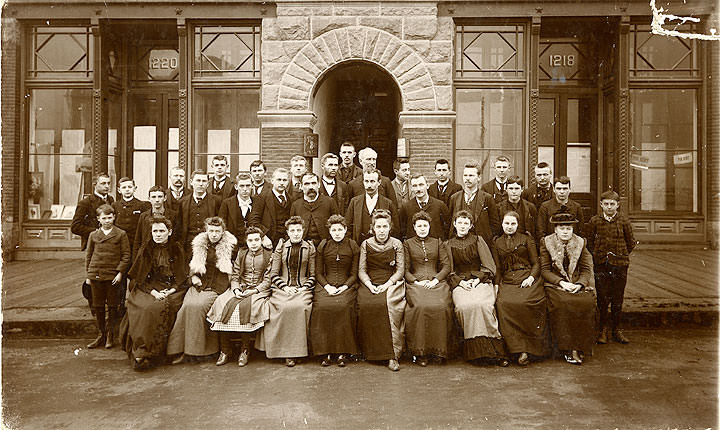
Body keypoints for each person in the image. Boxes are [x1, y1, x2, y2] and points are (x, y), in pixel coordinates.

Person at [120, 216, 188, 371]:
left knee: (166, 306)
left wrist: (170, 290)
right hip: (148, 287)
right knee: (145, 308)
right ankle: (141, 351)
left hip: (173, 288)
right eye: (155, 231)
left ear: (169, 232)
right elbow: (139, 278)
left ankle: (160, 353)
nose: (158, 234)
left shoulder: (176, 248)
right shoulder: (146, 249)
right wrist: (154, 292)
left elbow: (181, 277)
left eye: (162, 231)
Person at [167, 217, 237, 363]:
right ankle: (179, 349)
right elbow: (191, 266)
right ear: (206, 231)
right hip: (199, 283)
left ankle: (199, 351)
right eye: (211, 231)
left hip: (218, 285)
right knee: (186, 306)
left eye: (217, 231)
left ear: (223, 232)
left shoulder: (230, 246)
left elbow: (234, 270)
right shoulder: (199, 244)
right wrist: (193, 277)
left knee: (198, 306)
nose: (214, 234)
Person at [446, 210, 508, 366]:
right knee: (464, 306)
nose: (462, 226)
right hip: (460, 283)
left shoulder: (478, 240)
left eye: (466, 223)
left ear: (471, 225)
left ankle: (494, 352)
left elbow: (489, 265)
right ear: (454, 224)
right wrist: (460, 282)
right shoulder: (448, 244)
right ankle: (476, 353)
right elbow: (448, 269)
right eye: (459, 222)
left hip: (480, 280)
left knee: (485, 305)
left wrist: (477, 279)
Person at [206, 227, 272, 367]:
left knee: (246, 307)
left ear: (261, 240)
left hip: (259, 290)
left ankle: (245, 349)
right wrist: (235, 289)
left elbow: (268, 280)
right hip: (241, 287)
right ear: (246, 242)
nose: (253, 243)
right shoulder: (242, 254)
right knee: (222, 303)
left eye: (256, 240)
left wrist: (254, 290)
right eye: (250, 240)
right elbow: (235, 275)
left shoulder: (268, 255)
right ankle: (225, 350)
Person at [255, 216, 315, 367]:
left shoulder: (310, 247)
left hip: (303, 288)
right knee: (281, 307)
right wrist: (285, 287)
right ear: (287, 232)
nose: (296, 233)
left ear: (303, 231)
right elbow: (274, 274)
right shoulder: (281, 247)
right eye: (292, 230)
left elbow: (313, 274)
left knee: (300, 307)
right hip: (282, 288)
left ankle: (297, 352)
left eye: (299, 230)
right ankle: (281, 351)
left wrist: (303, 287)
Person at [539, 212, 597, 365]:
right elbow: (544, 270)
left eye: (569, 228)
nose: (566, 231)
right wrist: (562, 283)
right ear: (555, 229)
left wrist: (579, 284)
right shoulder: (547, 243)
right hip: (555, 284)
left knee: (586, 303)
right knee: (562, 303)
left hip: (576, 283)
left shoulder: (580, 243)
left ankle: (580, 347)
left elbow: (586, 269)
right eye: (562, 228)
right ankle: (566, 348)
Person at [494, 211, 548, 366]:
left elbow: (536, 263)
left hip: (527, 277)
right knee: (504, 304)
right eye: (506, 223)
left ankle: (528, 349)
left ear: (517, 225)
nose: (509, 227)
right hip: (508, 279)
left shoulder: (526, 239)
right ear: (502, 224)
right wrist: (496, 285)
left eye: (513, 224)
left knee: (527, 303)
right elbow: (497, 267)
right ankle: (513, 349)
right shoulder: (497, 242)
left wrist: (531, 277)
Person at [357, 210, 405, 371]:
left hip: (391, 282)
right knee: (366, 304)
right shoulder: (366, 244)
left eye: (385, 226)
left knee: (388, 305)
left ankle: (392, 355)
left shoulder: (397, 244)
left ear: (390, 228)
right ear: (373, 228)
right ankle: (371, 352)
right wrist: (369, 285)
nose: (382, 230)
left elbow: (400, 270)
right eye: (378, 226)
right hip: (370, 282)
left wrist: (388, 284)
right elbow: (362, 270)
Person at [586, 190, 636, 345]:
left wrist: (619, 255)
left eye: (612, 204)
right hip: (601, 264)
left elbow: (631, 242)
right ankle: (602, 330)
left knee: (617, 297)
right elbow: (589, 242)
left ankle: (616, 329)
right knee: (602, 297)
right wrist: (597, 255)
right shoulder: (595, 221)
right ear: (601, 205)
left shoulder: (624, 221)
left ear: (617, 205)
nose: (609, 207)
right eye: (606, 204)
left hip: (620, 265)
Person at [403, 211, 452, 366]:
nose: (422, 229)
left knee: (441, 306)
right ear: (414, 227)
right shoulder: (408, 244)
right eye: (419, 226)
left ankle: (438, 351)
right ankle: (420, 352)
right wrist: (415, 281)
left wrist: (436, 279)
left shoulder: (438, 242)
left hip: (436, 283)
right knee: (420, 307)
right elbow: (404, 269)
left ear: (429, 226)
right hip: (416, 283)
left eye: (425, 225)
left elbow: (446, 266)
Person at [310, 215, 360, 367]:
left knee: (344, 307)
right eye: (334, 230)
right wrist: (327, 287)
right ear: (329, 231)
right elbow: (318, 272)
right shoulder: (323, 245)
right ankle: (325, 352)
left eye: (340, 229)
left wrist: (344, 287)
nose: (337, 233)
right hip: (326, 285)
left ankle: (342, 352)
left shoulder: (352, 245)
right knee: (321, 307)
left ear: (345, 230)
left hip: (347, 285)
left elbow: (354, 273)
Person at [84, 204, 131, 349]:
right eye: (104, 218)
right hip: (97, 274)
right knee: (98, 306)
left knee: (112, 306)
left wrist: (120, 273)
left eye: (110, 218)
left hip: (113, 276)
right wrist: (89, 275)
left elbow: (126, 255)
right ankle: (101, 334)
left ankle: (111, 335)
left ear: (114, 217)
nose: (107, 221)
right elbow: (89, 255)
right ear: (98, 219)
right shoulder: (93, 235)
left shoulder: (121, 234)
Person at [448, 161, 501, 246]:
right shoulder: (454, 198)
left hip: (480, 245)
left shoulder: (487, 198)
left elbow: (495, 225)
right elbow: (450, 223)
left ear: (479, 177)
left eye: (471, 175)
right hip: (458, 246)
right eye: (465, 175)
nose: (467, 178)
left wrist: (487, 240)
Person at [345, 168, 399, 244]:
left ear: (379, 182)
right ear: (363, 182)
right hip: (359, 245)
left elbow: (395, 229)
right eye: (366, 181)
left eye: (372, 181)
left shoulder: (388, 203)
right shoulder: (354, 202)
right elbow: (348, 227)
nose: (369, 185)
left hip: (381, 247)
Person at [178, 170, 222, 257]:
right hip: (188, 246)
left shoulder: (216, 201)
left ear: (208, 184)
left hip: (209, 245)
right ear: (191, 182)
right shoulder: (183, 202)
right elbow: (179, 225)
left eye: (204, 181)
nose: (201, 184)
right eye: (198, 180)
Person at [290, 172, 340, 246]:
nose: (311, 187)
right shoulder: (296, 205)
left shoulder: (329, 202)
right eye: (307, 184)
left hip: (326, 245)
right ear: (301, 186)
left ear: (319, 185)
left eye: (313, 183)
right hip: (303, 246)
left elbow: (337, 224)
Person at [249, 168, 293, 247]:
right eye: (279, 180)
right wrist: (263, 237)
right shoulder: (261, 198)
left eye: (284, 180)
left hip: (287, 242)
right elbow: (253, 221)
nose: (282, 183)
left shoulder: (291, 199)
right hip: (268, 241)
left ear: (288, 182)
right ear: (272, 181)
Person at [399, 174, 450, 240]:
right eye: (415, 186)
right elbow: (403, 229)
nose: (418, 189)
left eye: (421, 185)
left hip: (435, 247)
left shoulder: (440, 205)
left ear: (427, 185)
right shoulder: (406, 207)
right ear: (411, 188)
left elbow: (447, 227)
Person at [71, 173, 114, 251]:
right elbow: (75, 227)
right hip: (92, 245)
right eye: (103, 183)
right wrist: (96, 231)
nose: (107, 186)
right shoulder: (85, 203)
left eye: (108, 183)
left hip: (110, 244)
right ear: (95, 184)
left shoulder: (111, 200)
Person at [112, 177, 151, 261]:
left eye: (129, 187)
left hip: (135, 243)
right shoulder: (115, 206)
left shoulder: (142, 205)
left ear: (135, 188)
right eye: (124, 187)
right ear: (119, 190)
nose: (127, 190)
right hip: (120, 243)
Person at [134, 186, 180, 256]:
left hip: (167, 255)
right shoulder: (143, 216)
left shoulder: (174, 216)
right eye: (153, 197)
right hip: (148, 256)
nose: (157, 200)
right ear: (149, 199)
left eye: (160, 196)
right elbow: (138, 240)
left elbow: (177, 239)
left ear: (165, 198)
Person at [536, 176, 585, 241]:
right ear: (554, 189)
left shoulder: (576, 207)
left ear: (570, 189)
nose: (562, 192)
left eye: (565, 189)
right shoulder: (545, 207)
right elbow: (541, 231)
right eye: (559, 188)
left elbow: (581, 230)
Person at [219, 173, 255, 253]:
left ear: (252, 186)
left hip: (253, 246)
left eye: (248, 185)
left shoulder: (258, 202)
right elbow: (222, 225)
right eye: (242, 186)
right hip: (233, 246)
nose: (245, 189)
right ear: (236, 187)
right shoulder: (227, 203)